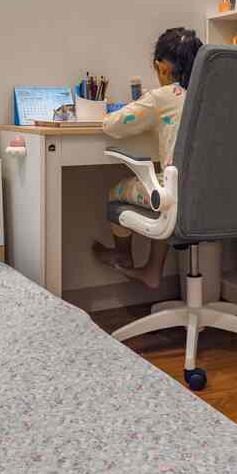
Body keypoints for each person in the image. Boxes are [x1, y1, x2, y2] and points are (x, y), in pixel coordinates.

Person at [92, 27, 202, 289]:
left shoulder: (162, 96)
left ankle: (123, 252)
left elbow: (111, 126)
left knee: (127, 190)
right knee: (164, 189)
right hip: (221, 192)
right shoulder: (215, 94)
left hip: (179, 194)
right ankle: (153, 269)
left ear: (162, 67)